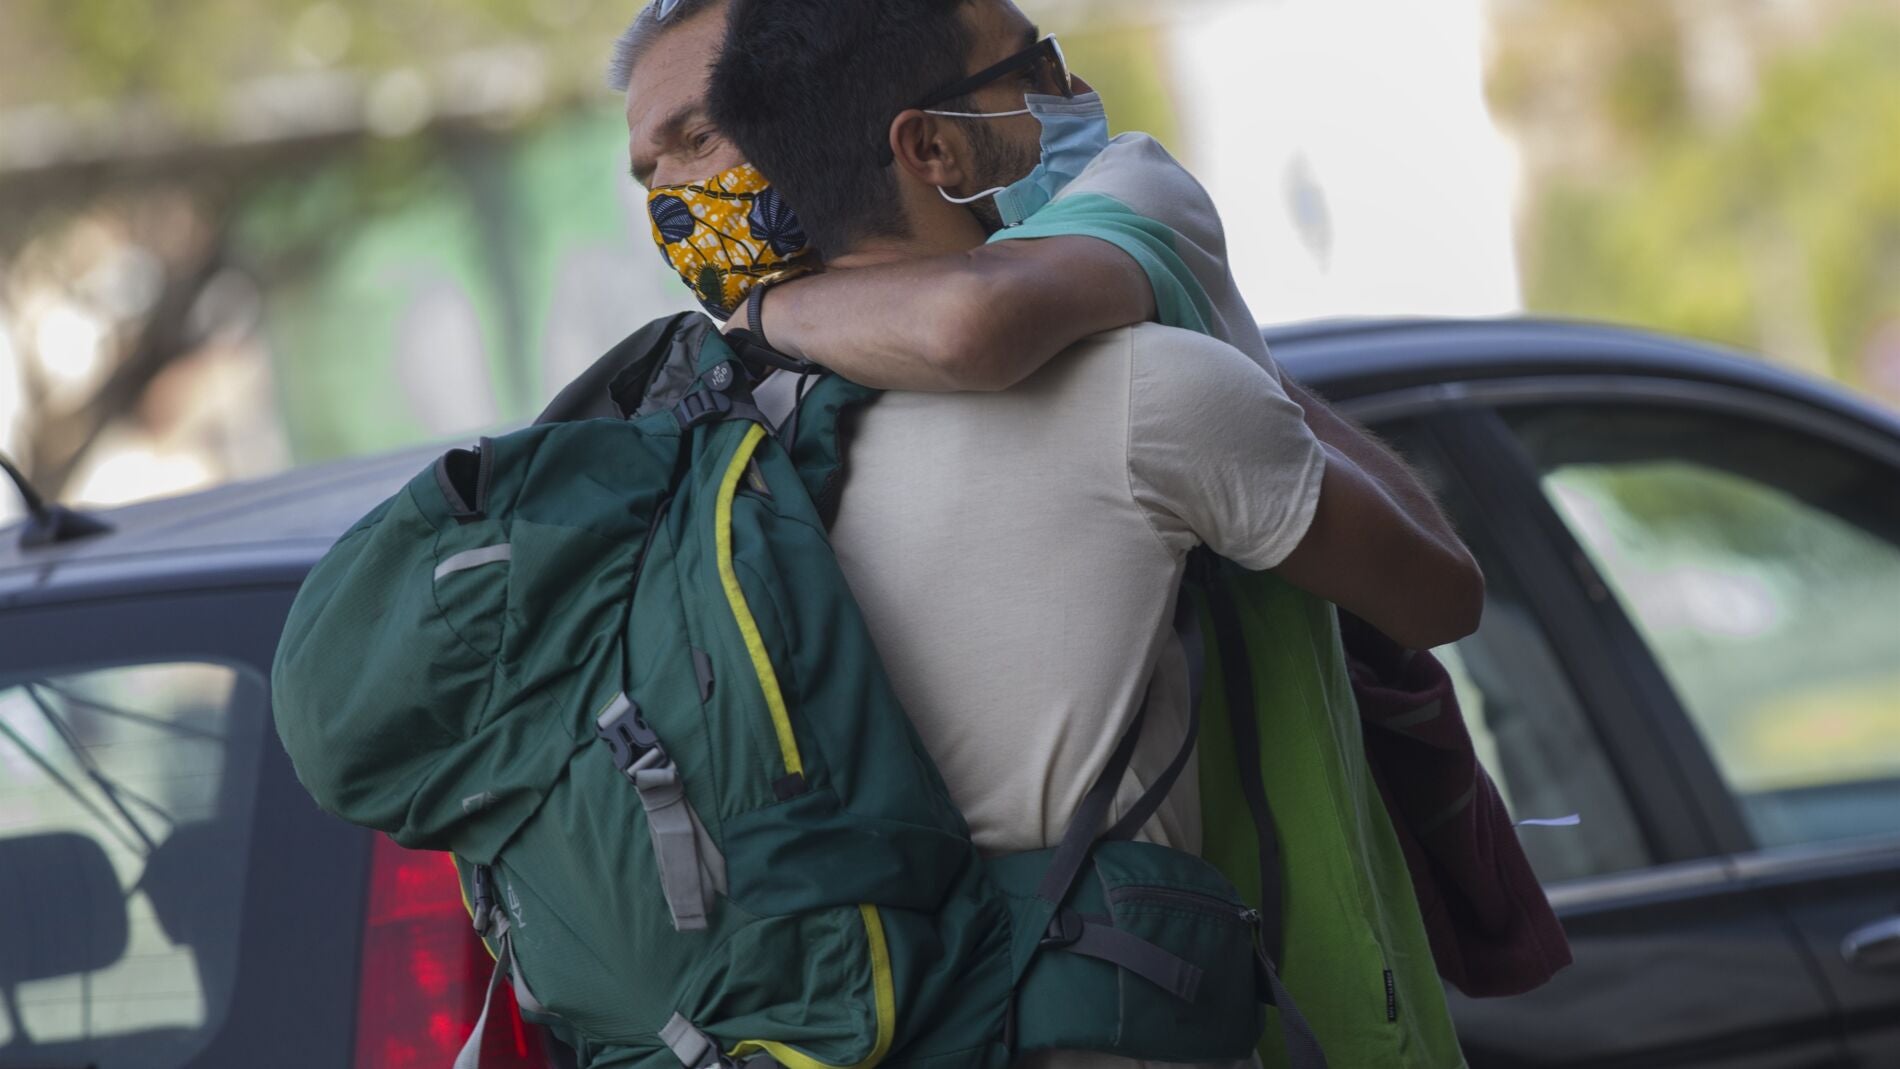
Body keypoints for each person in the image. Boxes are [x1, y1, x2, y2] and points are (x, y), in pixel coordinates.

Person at [612, 1, 1483, 1065]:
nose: (1072, 95)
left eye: (696, 138)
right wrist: (1195, 306)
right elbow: (1443, 591)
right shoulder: (1148, 391)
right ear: (929, 146)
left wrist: (753, 321)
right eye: (1034, 68)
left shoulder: (699, 451)